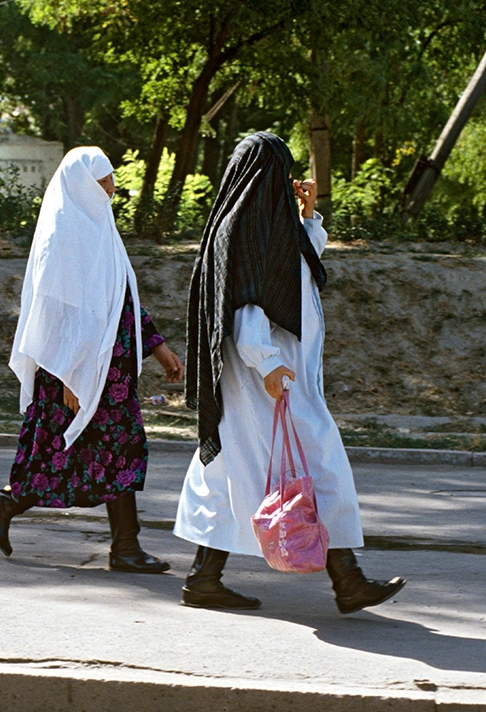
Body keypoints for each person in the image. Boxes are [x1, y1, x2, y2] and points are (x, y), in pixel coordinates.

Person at [174, 131, 406, 613]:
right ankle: (347, 579)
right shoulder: (253, 228)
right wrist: (268, 363)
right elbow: (249, 304)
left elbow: (293, 270)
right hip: (269, 377)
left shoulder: (249, 223)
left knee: (233, 475)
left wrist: (307, 218)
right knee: (319, 463)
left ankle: (204, 578)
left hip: (254, 379)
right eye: (284, 168)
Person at [0, 146, 184, 573]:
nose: (112, 186)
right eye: (103, 179)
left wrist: (157, 346)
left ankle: (12, 505)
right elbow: (54, 313)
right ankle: (122, 548)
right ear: (82, 185)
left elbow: (120, 300)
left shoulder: (100, 229)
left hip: (108, 369)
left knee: (102, 451)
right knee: (92, 450)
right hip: (72, 371)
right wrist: (72, 376)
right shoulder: (62, 237)